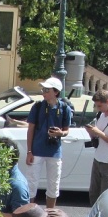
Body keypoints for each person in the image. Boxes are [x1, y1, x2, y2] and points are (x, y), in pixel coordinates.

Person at [25, 76, 73, 209]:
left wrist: (59, 133)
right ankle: (30, 213)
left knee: (54, 183)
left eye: (47, 90)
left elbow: (66, 131)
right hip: (37, 150)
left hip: (54, 151)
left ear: (56, 92)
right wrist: (29, 151)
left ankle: (50, 214)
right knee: (32, 183)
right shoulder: (38, 106)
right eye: (43, 89)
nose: (43, 92)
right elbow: (31, 129)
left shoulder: (65, 109)